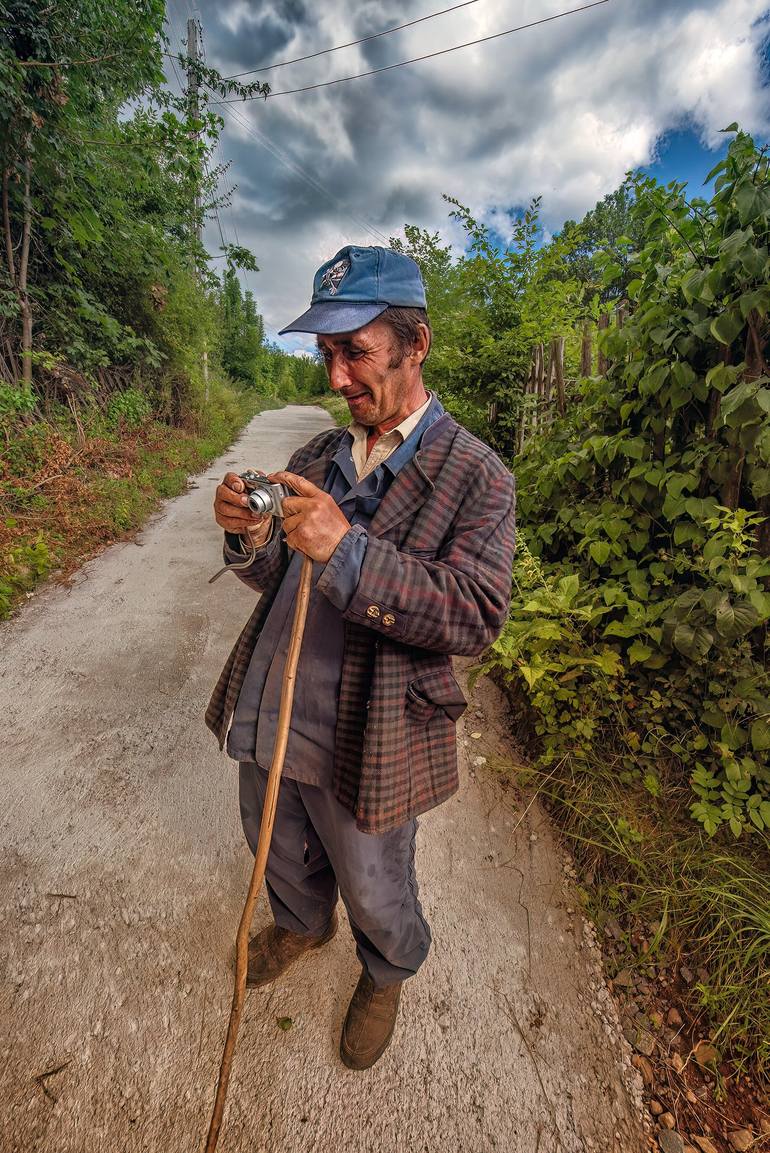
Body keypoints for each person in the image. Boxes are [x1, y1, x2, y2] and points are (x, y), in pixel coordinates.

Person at [206, 244, 516, 1070]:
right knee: (276, 840)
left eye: (356, 352)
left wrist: (346, 552)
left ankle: (387, 969)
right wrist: (248, 531)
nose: (337, 377)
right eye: (326, 354)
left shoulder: (477, 476)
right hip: (279, 704)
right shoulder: (316, 456)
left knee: (376, 880)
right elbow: (272, 579)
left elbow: (477, 613)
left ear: (416, 346)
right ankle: (304, 925)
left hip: (372, 729)